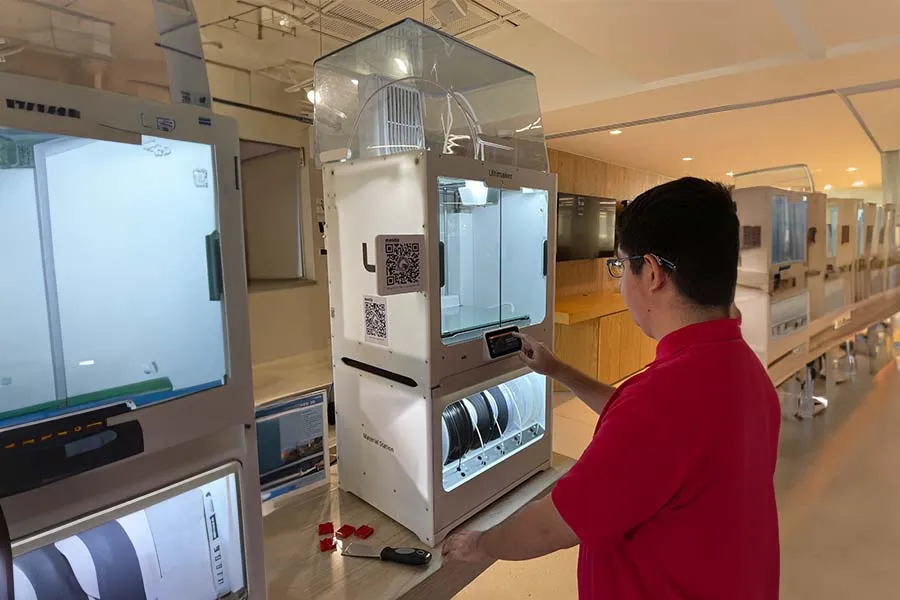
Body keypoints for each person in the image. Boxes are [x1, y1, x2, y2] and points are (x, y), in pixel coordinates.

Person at [442, 177, 780, 600]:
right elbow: (648, 430)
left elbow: (552, 526)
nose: (620, 281)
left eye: (620, 266)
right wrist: (556, 368)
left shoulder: (661, 403)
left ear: (652, 273)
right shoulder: (741, 369)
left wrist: (478, 543)